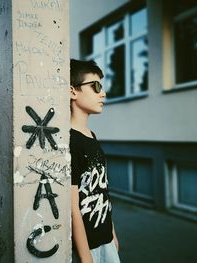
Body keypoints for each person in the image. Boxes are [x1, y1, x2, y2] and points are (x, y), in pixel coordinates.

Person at [69, 59, 120, 263]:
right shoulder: (70, 141)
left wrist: (112, 234)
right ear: (73, 91)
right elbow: (73, 208)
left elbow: (101, 192)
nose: (103, 93)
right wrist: (85, 257)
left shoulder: (91, 136)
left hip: (105, 241)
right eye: (95, 86)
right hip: (87, 247)